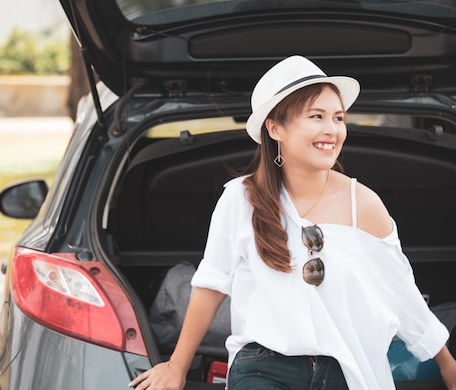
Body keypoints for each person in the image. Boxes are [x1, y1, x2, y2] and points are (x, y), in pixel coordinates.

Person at [129, 55, 456, 390]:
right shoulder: (240, 199)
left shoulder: (365, 204)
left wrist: (447, 364)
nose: (332, 129)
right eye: (316, 116)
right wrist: (177, 366)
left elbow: (401, 293)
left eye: (338, 118)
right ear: (275, 128)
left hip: (345, 368)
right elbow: (210, 286)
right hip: (263, 366)